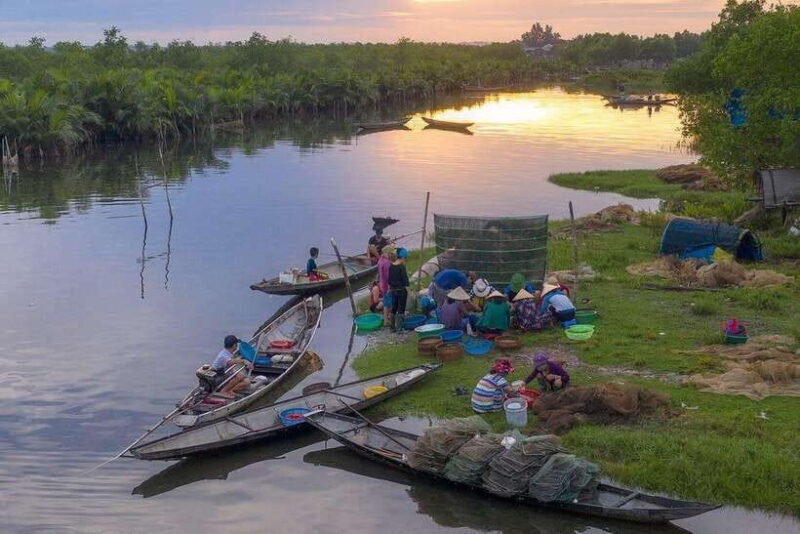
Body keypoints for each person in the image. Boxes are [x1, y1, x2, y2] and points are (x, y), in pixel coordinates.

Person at [388, 247, 410, 332]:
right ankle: (400, 329)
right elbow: (405, 281)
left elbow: (389, 280)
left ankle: (392, 327)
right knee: (401, 309)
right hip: (401, 291)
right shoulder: (401, 267)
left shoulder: (391, 266)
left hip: (393, 290)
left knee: (394, 308)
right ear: (403, 257)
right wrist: (409, 292)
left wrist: (390, 289)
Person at [377, 246, 395, 326]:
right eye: (391, 253)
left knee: (385, 303)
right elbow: (388, 277)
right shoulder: (387, 263)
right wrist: (390, 287)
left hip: (382, 285)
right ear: (388, 253)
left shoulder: (380, 260)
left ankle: (385, 319)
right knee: (390, 303)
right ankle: (390, 319)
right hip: (387, 286)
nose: (391, 255)